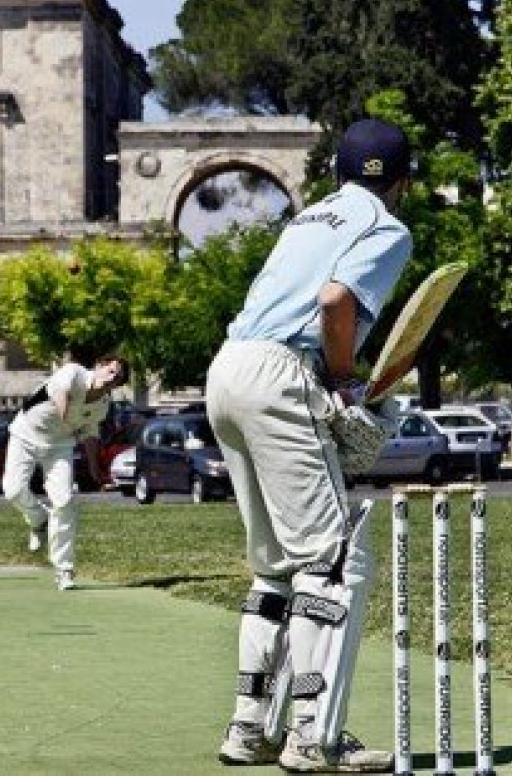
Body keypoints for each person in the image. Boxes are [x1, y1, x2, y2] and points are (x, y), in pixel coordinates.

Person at [206, 118, 414, 771]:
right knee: (330, 561)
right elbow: (334, 301)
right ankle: (312, 736)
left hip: (228, 369)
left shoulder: (307, 218)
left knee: (275, 567)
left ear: (335, 172)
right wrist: (344, 381)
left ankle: (249, 728)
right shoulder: (386, 227)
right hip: (279, 375)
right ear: (404, 183)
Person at [2, 355, 128, 591]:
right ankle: (39, 519)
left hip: (59, 446)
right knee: (13, 491)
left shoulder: (103, 405)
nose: (112, 378)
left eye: (117, 378)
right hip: (25, 434)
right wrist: (68, 424)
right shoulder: (73, 372)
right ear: (98, 367)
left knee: (65, 501)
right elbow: (61, 396)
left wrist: (94, 469)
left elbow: (91, 435)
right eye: (110, 371)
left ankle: (64, 569)